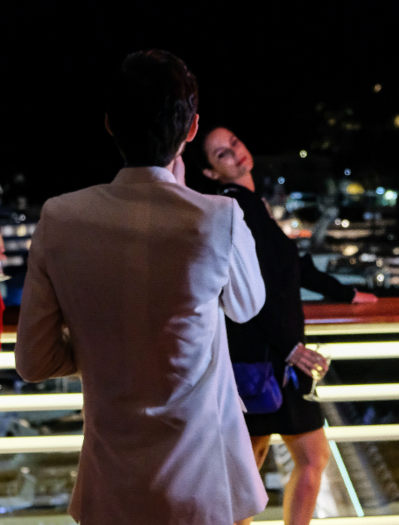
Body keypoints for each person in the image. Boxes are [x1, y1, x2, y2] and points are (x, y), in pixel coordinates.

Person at [14, 50, 269, 525]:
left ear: (109, 123)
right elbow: (247, 306)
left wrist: (103, 339)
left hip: (109, 492)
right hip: (203, 487)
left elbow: (34, 363)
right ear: (191, 129)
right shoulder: (217, 218)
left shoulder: (60, 219)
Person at [193, 125, 377, 525]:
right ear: (210, 172)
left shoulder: (247, 205)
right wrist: (290, 348)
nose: (236, 153)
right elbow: (251, 291)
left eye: (235, 143)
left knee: (253, 462)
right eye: (222, 154)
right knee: (303, 459)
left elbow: (289, 265)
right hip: (270, 358)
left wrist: (346, 295)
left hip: (264, 358)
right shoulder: (235, 207)